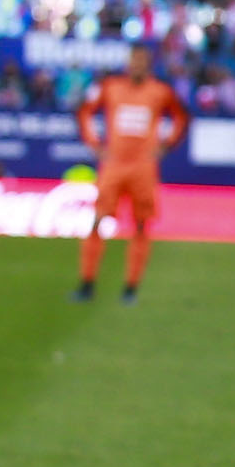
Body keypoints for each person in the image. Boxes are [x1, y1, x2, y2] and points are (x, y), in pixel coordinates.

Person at [71, 39, 188, 304]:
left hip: (143, 168)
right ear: (128, 62)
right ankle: (87, 283)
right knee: (98, 220)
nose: (137, 65)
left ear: (148, 64)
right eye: (133, 60)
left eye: (142, 61)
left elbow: (181, 117)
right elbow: (85, 113)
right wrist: (94, 144)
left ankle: (131, 287)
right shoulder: (111, 87)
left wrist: (166, 145)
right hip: (114, 165)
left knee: (141, 225)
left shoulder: (160, 91)